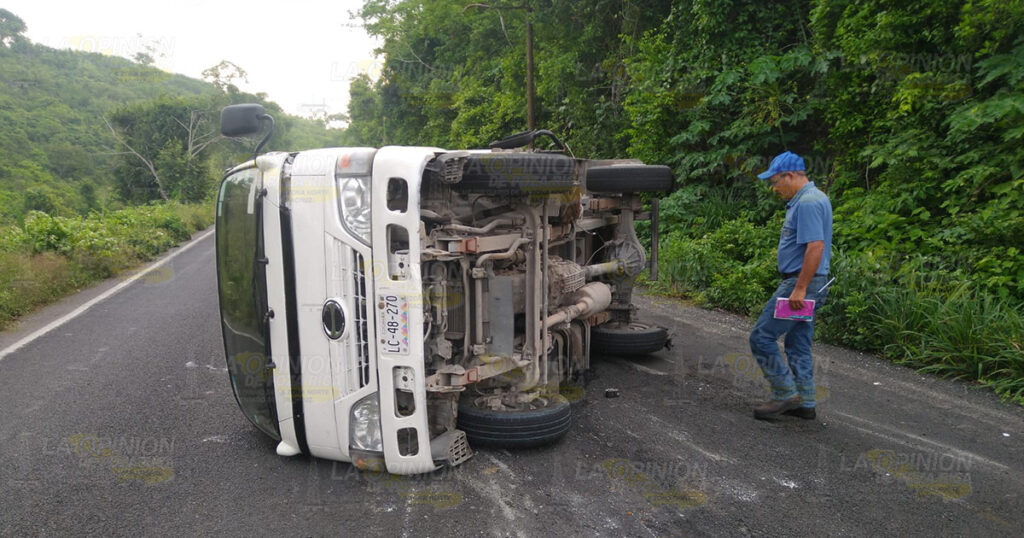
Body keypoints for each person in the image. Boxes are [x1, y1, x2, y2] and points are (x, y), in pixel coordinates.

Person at [749, 151, 832, 420]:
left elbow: (815, 247)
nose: (774, 189)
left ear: (791, 175)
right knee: (797, 342)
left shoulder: (807, 202)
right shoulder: (814, 198)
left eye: (776, 182)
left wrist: (799, 288)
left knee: (762, 337)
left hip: (800, 284)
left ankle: (785, 393)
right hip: (810, 283)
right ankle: (806, 402)